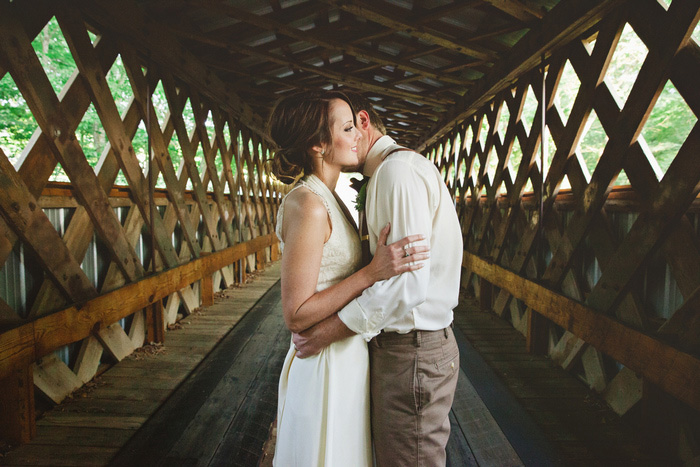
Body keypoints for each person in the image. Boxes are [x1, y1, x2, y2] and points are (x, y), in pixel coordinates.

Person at [293, 91, 464, 467]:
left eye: (354, 125)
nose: (353, 135)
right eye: (345, 127)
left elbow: (408, 283)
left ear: (365, 122)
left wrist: (328, 331)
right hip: (400, 350)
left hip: (411, 354)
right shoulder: (380, 175)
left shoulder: (396, 172)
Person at [268, 90, 430, 466]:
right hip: (324, 364)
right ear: (317, 144)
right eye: (346, 127)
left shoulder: (330, 196)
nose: (359, 132)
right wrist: (371, 274)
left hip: (345, 355)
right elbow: (296, 313)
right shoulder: (307, 205)